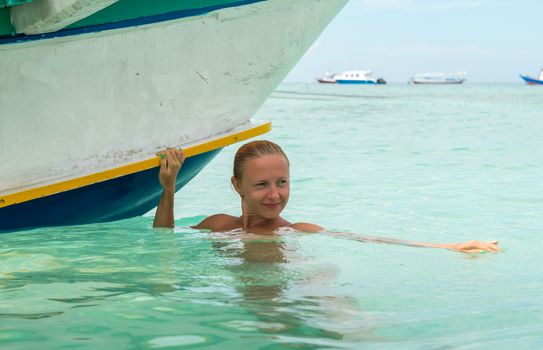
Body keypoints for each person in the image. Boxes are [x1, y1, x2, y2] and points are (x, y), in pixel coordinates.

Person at [153, 140, 501, 253]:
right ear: (237, 186)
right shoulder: (219, 225)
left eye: (282, 182)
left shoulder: (296, 230)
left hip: (296, 293)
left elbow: (368, 238)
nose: (275, 195)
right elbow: (163, 244)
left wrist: (450, 247)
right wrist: (168, 190)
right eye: (261, 185)